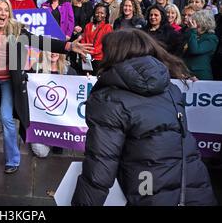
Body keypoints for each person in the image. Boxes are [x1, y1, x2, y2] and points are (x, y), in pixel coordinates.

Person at [0, 0, 93, 174]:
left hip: (9, 81)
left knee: (7, 118)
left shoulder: (16, 30)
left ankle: (12, 159)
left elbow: (40, 41)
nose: (3, 13)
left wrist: (68, 46)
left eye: (6, 10)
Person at [71, 28, 216, 206]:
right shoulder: (170, 89)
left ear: (114, 53)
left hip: (152, 193)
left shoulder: (109, 99)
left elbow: (100, 168)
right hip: (195, 191)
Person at [29, 51, 75, 157]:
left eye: (56, 50)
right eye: (50, 50)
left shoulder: (69, 71)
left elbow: (76, 92)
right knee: (41, 153)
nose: (53, 53)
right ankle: (48, 140)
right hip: (41, 119)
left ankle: (56, 140)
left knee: (62, 143)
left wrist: (87, 80)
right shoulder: (36, 69)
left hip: (61, 119)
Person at [183, 10, 219, 80]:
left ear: (204, 23)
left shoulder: (211, 38)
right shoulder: (192, 34)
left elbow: (195, 50)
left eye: (196, 21)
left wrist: (193, 31)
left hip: (201, 75)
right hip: (187, 74)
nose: (194, 24)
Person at [80, 3, 113, 75]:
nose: (99, 15)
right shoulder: (88, 26)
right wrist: (83, 52)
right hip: (86, 58)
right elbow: (83, 40)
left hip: (99, 59)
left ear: (106, 15)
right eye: (97, 13)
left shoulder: (108, 27)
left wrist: (91, 52)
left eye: (102, 13)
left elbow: (104, 45)